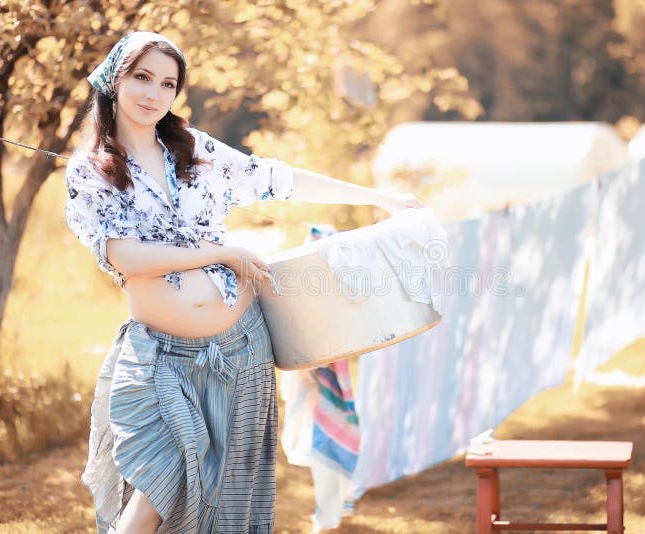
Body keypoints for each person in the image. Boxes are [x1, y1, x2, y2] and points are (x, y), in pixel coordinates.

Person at [66, 31, 421, 534]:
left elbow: (280, 179)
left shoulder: (194, 152)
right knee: (158, 485)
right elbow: (123, 255)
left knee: (230, 502)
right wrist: (222, 253)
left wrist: (380, 198)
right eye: (141, 77)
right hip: (164, 356)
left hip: (242, 348)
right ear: (113, 79)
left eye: (168, 84)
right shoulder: (91, 172)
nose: (153, 94)